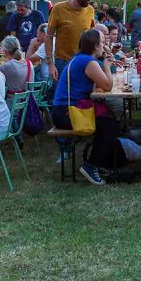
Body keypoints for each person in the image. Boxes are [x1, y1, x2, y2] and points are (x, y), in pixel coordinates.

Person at [51, 29, 116, 185]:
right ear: (95, 45)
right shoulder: (89, 62)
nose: (105, 44)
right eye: (102, 41)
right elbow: (107, 86)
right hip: (66, 113)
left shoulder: (79, 58)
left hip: (63, 110)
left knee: (108, 121)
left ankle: (100, 163)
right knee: (109, 126)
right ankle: (91, 166)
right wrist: (107, 66)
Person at [45, 0, 95, 81]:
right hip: (63, 62)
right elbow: (49, 36)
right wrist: (50, 63)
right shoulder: (59, 8)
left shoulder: (90, 10)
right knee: (63, 95)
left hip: (83, 61)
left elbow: (92, 36)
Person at [0, 36, 34, 109]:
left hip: (10, 106)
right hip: (25, 106)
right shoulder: (29, 63)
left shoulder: (8, 66)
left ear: (5, 52)